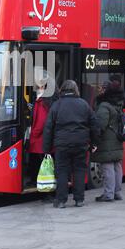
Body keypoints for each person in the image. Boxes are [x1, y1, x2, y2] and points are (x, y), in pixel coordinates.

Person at [43, 80, 100, 208]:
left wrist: (46, 148)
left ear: (62, 90)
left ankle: (61, 201)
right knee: (79, 170)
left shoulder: (57, 105)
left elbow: (48, 128)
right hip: (81, 144)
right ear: (76, 90)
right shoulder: (84, 104)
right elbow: (94, 125)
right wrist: (94, 143)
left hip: (62, 144)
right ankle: (79, 199)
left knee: (62, 171)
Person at [92, 80, 125, 202]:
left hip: (107, 141)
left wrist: (94, 139)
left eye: (102, 88)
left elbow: (100, 125)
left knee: (107, 166)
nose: (99, 90)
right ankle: (117, 193)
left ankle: (108, 194)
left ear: (106, 91)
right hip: (117, 139)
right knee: (117, 165)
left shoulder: (104, 105)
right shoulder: (118, 103)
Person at [26, 68, 59, 186]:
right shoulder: (52, 101)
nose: (37, 89)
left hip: (39, 140)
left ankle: (44, 188)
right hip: (47, 139)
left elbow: (41, 122)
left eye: (39, 86)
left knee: (40, 164)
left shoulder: (42, 102)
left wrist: (32, 135)